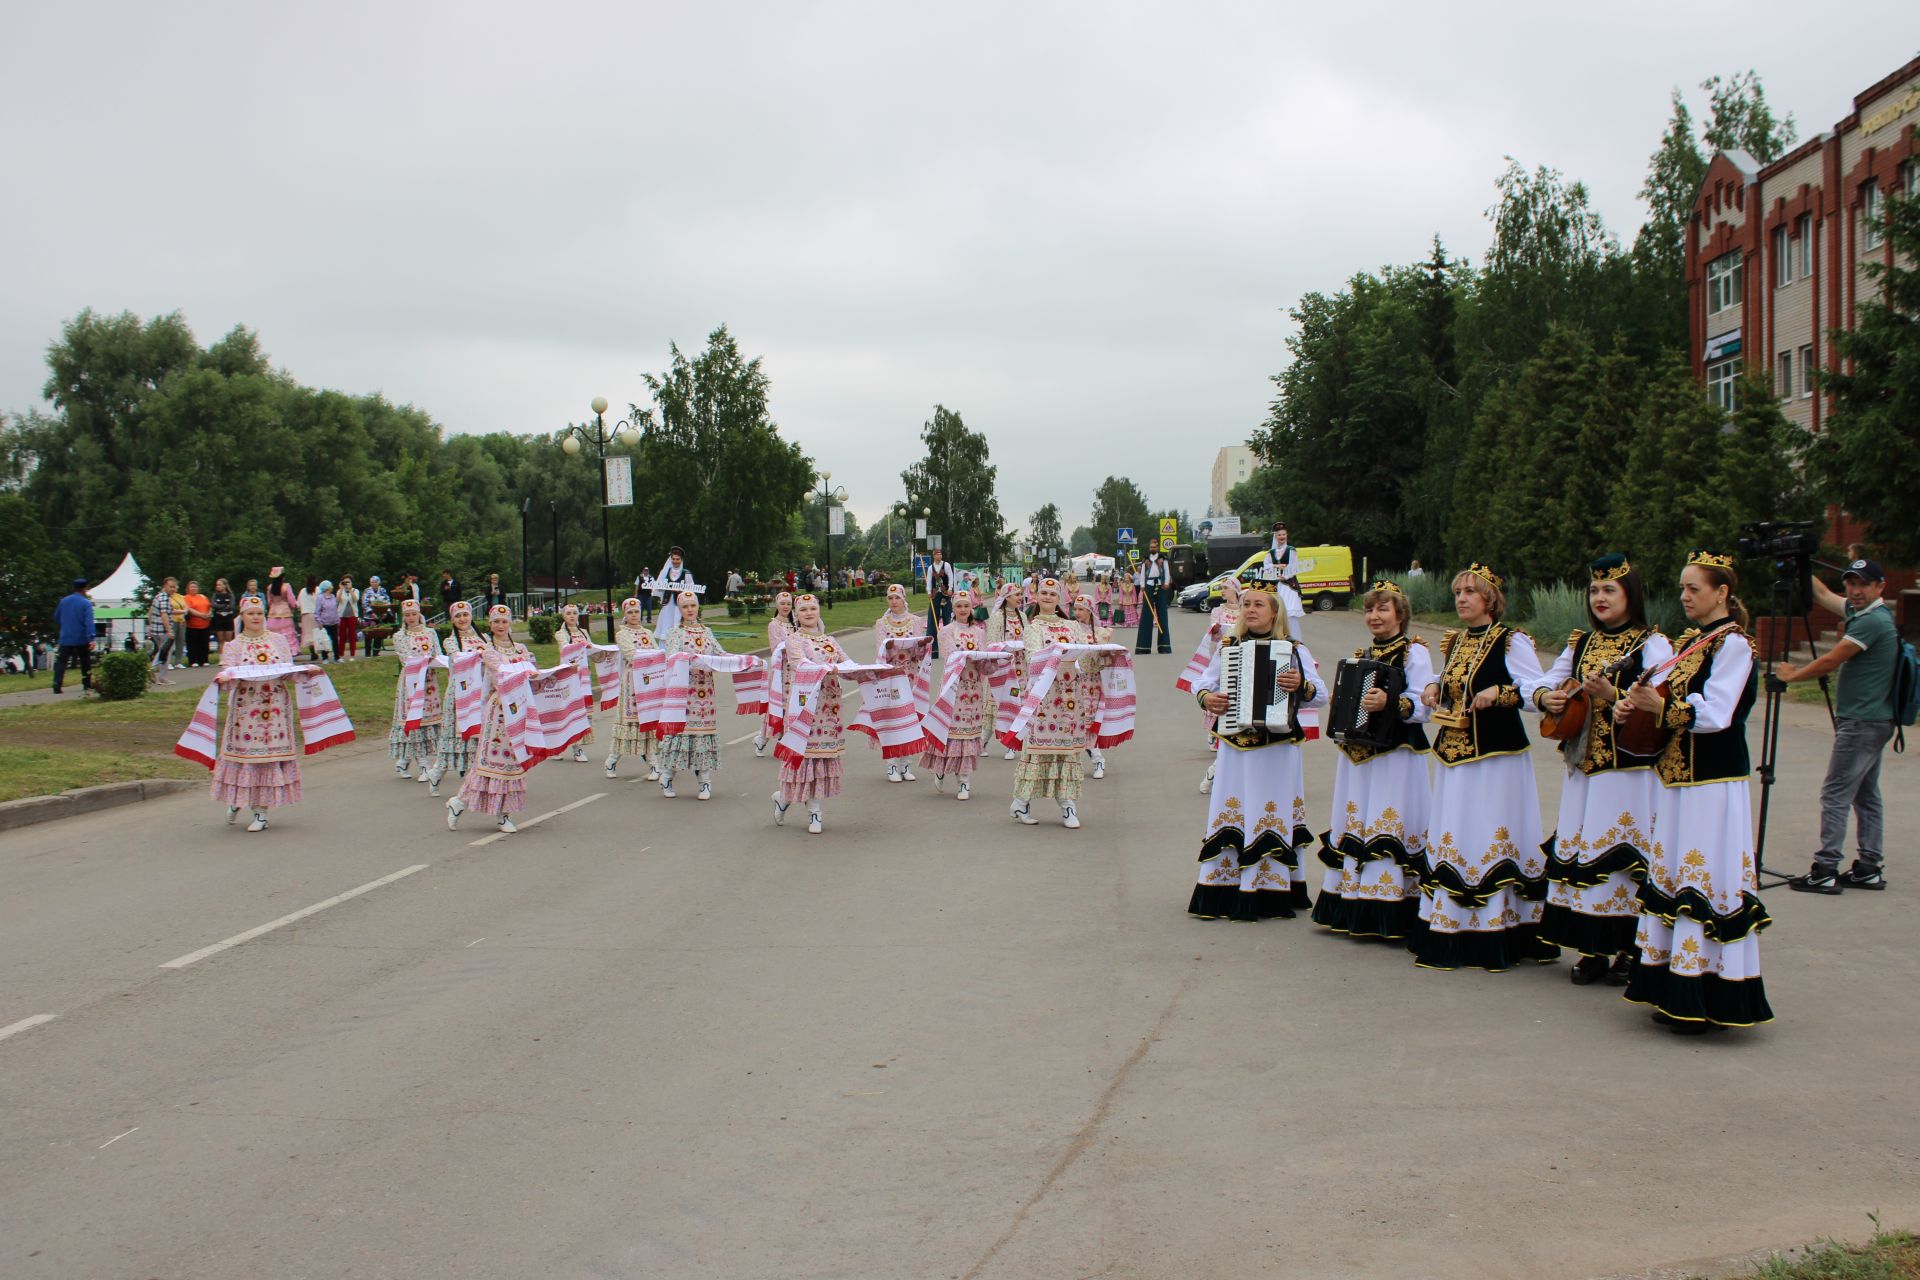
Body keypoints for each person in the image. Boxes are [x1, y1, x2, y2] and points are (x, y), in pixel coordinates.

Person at [1620, 553, 1772, 1033]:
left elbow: (1719, 713)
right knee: (1675, 874)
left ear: (1721, 593)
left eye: (1694, 589)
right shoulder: (1691, 644)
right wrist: (1630, 706)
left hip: (1712, 780)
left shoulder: (1735, 646)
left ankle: (1710, 991)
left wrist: (1660, 705)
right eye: (1683, 588)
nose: (1685, 597)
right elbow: (1658, 696)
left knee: (1705, 879)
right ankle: (1671, 984)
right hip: (1677, 780)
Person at [1530, 556, 1673, 984]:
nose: (1600, 598)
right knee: (1584, 858)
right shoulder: (1582, 643)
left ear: (1631, 594)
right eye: (1594, 591)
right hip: (1584, 767)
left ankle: (1631, 948)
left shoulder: (1652, 643)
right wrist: (1547, 698)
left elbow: (1661, 697)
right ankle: (1592, 947)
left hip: (1629, 769)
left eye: (1610, 590)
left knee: (1624, 859)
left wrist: (1615, 694)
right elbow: (1546, 681)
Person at [1411, 563, 1555, 972]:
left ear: (1490, 600)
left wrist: (1501, 692)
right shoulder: (1456, 641)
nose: (1461, 599)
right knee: (1458, 832)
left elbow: (1534, 691)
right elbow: (1455, 678)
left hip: (1496, 756)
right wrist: (1434, 685)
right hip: (1455, 753)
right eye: (1458, 592)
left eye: (1470, 592)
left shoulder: (1512, 642)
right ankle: (1454, 923)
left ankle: (1500, 927)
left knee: (1491, 832)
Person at [1188, 581, 1327, 919]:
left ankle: (1268, 889)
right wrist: (1208, 698)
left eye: (1258, 605)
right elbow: (1203, 682)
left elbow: (1321, 695)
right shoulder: (1230, 647)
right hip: (1236, 746)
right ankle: (1224, 887)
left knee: (1269, 811)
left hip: (1276, 749)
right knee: (1234, 811)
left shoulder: (1294, 649)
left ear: (1275, 612)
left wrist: (1302, 686)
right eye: (1247, 604)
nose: (1250, 609)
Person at [1311, 580, 1434, 940]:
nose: (1374, 616)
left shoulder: (1414, 652)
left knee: (1389, 824)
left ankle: (1394, 905)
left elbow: (1423, 702)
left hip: (1396, 752)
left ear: (1400, 614)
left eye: (1382, 609)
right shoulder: (1363, 653)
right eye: (1369, 609)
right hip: (1359, 754)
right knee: (1359, 822)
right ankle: (1356, 899)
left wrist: (1392, 704)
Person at [1777, 557, 1901, 893]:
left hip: (1862, 723)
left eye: (1863, 584)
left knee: (1835, 793)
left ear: (1879, 587)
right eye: (1851, 583)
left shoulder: (1872, 622)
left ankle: (1826, 868)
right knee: (1865, 794)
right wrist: (1796, 557)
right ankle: (1868, 867)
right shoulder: (1865, 612)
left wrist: (1793, 676)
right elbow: (1820, 593)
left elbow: (1832, 659)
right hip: (1873, 720)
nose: (1855, 590)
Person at [1010, 577, 1105, 829]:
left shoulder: (1072, 626)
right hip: (1045, 699)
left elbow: (1085, 660)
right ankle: (1021, 802)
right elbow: (1032, 660)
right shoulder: (1032, 628)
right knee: (1040, 752)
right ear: (1036, 597)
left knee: (1069, 752)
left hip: (1071, 698)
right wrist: (1057, 654)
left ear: (1060, 599)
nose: (1048, 597)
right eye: (1044, 593)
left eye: (1053, 594)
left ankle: (1068, 806)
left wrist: (1105, 654)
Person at [212, 595, 303, 832]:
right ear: (242, 617)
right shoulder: (233, 645)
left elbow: (288, 671)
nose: (255, 617)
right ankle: (238, 799)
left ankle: (261, 812)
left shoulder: (279, 641)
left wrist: (304, 673)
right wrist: (224, 678)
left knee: (267, 759)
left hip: (274, 708)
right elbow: (227, 675)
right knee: (247, 759)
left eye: (259, 613)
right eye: (250, 613)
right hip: (246, 710)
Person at [446, 605, 534, 834]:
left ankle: (502, 813)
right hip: (500, 710)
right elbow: (500, 676)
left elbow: (532, 674)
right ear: (490, 625)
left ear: (510, 624)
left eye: (504, 621)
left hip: (520, 708)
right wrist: (523, 674)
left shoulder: (521, 648)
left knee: (513, 762)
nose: (500, 626)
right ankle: (462, 802)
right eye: (496, 622)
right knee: (490, 762)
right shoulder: (487, 650)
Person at [772, 594, 849, 834]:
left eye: (812, 608)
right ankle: (813, 811)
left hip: (829, 707)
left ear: (819, 611)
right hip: (805, 706)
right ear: (796, 614)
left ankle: (785, 799)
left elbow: (847, 664)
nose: (808, 613)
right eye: (803, 609)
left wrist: (878, 671)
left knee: (821, 758)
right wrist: (829, 668)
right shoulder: (793, 640)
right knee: (804, 758)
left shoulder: (831, 640)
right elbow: (799, 665)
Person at [921, 587, 992, 800]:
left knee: (969, 735)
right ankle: (941, 768)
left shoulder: (979, 632)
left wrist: (994, 660)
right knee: (950, 733)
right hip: (953, 689)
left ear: (972, 608)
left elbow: (983, 661)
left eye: (966, 606)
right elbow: (952, 655)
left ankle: (964, 781)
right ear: (953, 608)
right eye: (959, 606)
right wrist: (976, 656)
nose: (963, 609)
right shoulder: (946, 631)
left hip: (974, 690)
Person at [658, 588, 725, 800]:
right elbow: (672, 658)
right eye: (685, 607)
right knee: (680, 734)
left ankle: (705, 781)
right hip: (683, 693)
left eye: (693, 605)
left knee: (704, 734)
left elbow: (719, 653)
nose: (689, 609)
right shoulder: (675, 633)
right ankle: (667, 776)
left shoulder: (706, 631)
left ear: (698, 607)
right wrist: (693, 659)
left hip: (705, 692)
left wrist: (739, 661)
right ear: (679, 609)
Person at [383, 597, 444, 785]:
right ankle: (424, 765)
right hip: (411, 682)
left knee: (427, 722)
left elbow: (439, 654)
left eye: (414, 614)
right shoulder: (399, 636)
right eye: (407, 615)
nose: (411, 618)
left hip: (429, 682)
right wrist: (425, 660)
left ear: (419, 614)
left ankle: (404, 761)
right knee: (414, 722)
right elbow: (406, 659)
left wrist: (436, 661)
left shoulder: (431, 632)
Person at [873, 583, 926, 783]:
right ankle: (892, 765)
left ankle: (906, 764)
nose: (894, 601)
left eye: (897, 597)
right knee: (892, 721)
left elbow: (920, 654)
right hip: (890, 677)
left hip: (911, 677)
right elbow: (881, 651)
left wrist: (921, 645)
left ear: (904, 599)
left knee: (909, 721)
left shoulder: (915, 621)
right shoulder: (881, 623)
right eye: (890, 598)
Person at [607, 597, 660, 780]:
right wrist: (652, 656)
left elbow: (657, 652)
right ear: (624, 614)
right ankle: (612, 760)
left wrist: (654, 657)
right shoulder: (622, 634)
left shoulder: (648, 632)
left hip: (649, 681)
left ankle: (653, 763)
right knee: (630, 721)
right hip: (632, 682)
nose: (634, 615)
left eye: (636, 611)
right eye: (630, 612)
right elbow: (631, 655)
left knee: (647, 721)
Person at [1071, 592, 1112, 780]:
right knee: (1072, 722)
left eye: (1081, 609)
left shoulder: (1102, 633)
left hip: (1092, 682)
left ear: (1090, 611)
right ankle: (1072, 764)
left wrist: (1105, 655)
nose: (1077, 612)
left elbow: (1106, 660)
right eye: (1075, 609)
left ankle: (1097, 759)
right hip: (1072, 681)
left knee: (1088, 724)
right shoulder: (1070, 630)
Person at [753, 590, 796, 756]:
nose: (785, 606)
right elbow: (777, 647)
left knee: (792, 706)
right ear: (777, 605)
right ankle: (765, 738)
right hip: (781, 671)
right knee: (779, 706)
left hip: (794, 670)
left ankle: (773, 740)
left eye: (788, 604)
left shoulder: (795, 623)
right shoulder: (774, 624)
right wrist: (794, 647)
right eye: (782, 603)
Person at [557, 604, 598, 764]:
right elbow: (565, 649)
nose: (572, 616)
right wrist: (582, 646)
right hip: (568, 676)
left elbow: (591, 650)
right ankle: (560, 746)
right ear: (564, 616)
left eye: (575, 613)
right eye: (569, 613)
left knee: (582, 712)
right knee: (567, 712)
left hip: (583, 678)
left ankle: (578, 747)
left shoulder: (584, 632)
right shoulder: (561, 634)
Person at [1255, 522, 1308, 643]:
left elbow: (1295, 567)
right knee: (1277, 613)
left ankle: (1295, 640)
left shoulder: (1291, 550)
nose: (1282, 537)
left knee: (1290, 613)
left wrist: (1286, 575)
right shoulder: (1271, 553)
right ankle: (1279, 638)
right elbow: (1266, 566)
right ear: (1276, 536)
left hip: (1289, 586)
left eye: (1284, 534)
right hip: (1277, 585)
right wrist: (1277, 565)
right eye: (1279, 535)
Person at [52, 578, 95, 695]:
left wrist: (66, 624)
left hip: (65, 636)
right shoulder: (86, 603)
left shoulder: (63, 601)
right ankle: (86, 683)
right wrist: (91, 638)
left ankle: (57, 682)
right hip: (81, 637)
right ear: (84, 589)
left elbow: (56, 617)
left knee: (62, 661)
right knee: (85, 660)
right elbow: (89, 622)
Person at [1133, 540, 1172, 655]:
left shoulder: (1162, 558)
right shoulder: (1146, 559)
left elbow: (1167, 572)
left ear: (1158, 547)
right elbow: (1143, 573)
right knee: (1146, 615)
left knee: (1162, 615)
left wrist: (1166, 582)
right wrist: (1142, 585)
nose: (1152, 548)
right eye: (1151, 547)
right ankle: (1143, 647)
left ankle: (1164, 646)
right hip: (1149, 586)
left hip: (1160, 586)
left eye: (1154, 547)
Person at [651, 548, 696, 634]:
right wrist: (661, 587)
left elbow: (691, 589)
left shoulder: (686, 573)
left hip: (679, 605)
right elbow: (659, 586)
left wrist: (680, 591)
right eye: (673, 559)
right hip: (668, 603)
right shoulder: (666, 572)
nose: (675, 561)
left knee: (677, 622)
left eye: (678, 559)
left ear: (681, 560)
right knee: (666, 622)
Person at [146, 576, 177, 683]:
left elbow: (150, 612)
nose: (173, 589)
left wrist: (150, 626)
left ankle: (160, 676)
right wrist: (169, 631)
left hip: (155, 630)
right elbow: (164, 614)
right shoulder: (164, 598)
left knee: (162, 652)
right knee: (165, 653)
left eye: (174, 587)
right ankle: (152, 670)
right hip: (163, 631)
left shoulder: (158, 596)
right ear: (165, 586)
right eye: (170, 587)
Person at [926, 547, 956, 648]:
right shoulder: (931, 568)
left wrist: (951, 588)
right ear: (934, 556)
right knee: (932, 618)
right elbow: (929, 580)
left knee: (947, 617)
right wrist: (929, 591)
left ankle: (949, 644)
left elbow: (951, 576)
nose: (939, 556)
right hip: (935, 595)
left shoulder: (946, 565)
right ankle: (932, 648)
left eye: (940, 554)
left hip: (945, 594)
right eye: (937, 554)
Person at [265, 568, 298, 651]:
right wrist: (294, 607)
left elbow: (269, 602)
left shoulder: (270, 588)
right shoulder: (286, 586)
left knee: (273, 634)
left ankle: (274, 651)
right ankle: (289, 651)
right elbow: (292, 601)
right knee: (287, 634)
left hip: (272, 613)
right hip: (285, 613)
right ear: (282, 577)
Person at [360, 576, 391, 656]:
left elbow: (387, 601)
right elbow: (364, 603)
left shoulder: (383, 590)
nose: (374, 583)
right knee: (369, 634)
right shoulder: (367, 591)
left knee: (379, 634)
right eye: (372, 582)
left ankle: (376, 652)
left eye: (375, 582)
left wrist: (385, 612)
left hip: (381, 616)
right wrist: (371, 613)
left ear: (378, 582)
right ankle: (367, 654)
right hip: (369, 616)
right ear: (370, 583)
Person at [312, 580, 339, 662]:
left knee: (335, 640)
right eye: (331, 586)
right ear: (327, 588)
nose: (332, 587)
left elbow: (335, 609)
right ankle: (325, 658)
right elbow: (317, 611)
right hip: (324, 623)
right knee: (324, 641)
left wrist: (338, 619)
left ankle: (337, 657)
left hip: (334, 622)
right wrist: (319, 622)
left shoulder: (333, 596)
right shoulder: (320, 598)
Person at [336, 577, 360, 661]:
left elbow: (355, 599)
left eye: (348, 582)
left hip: (352, 616)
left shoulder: (355, 590)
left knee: (352, 635)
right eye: (344, 582)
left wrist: (350, 590)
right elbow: (337, 600)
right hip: (342, 616)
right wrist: (341, 589)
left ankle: (352, 655)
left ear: (351, 583)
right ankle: (341, 655)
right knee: (342, 636)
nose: (346, 583)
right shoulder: (340, 591)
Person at [296, 574, 319, 660]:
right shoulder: (318, 590)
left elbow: (298, 604)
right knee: (316, 634)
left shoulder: (302, 591)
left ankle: (312, 653)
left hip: (305, 615)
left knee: (308, 635)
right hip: (315, 614)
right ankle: (318, 651)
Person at [209, 578, 238, 647]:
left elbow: (231, 606)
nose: (218, 586)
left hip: (228, 618)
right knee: (220, 640)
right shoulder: (215, 595)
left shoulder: (230, 595)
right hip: (218, 618)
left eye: (220, 585)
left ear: (225, 586)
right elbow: (213, 605)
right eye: (217, 585)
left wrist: (219, 607)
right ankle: (221, 656)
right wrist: (224, 605)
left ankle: (229, 656)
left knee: (228, 640)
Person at [169, 578, 188, 669]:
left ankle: (178, 662)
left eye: (175, 587)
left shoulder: (181, 597)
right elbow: (170, 610)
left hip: (181, 621)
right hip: (172, 621)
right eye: (172, 587)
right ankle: (168, 662)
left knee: (180, 642)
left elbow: (187, 608)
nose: (174, 588)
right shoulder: (167, 597)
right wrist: (182, 611)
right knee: (170, 642)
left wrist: (181, 611)